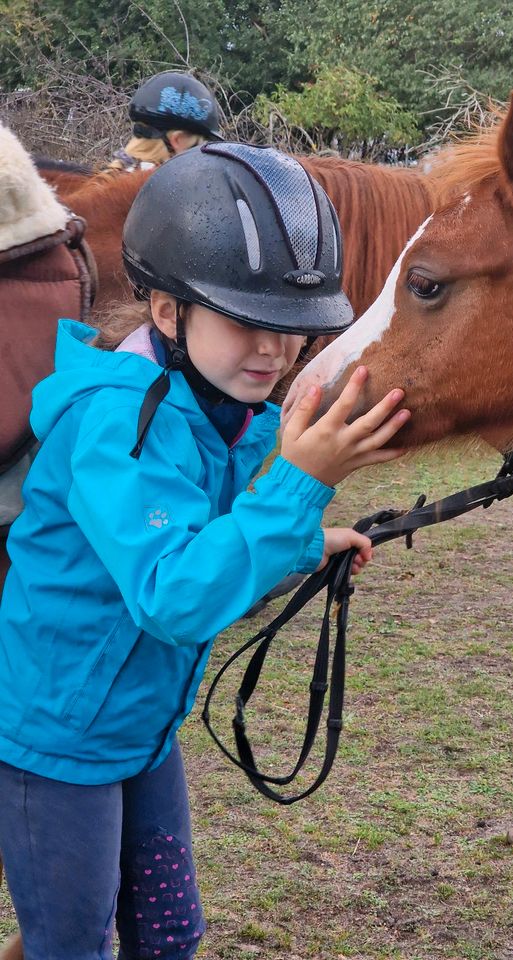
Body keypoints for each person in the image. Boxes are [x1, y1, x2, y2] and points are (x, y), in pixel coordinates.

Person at [0, 142, 410, 959]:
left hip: (138, 730)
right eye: (246, 325)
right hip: (56, 745)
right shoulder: (119, 421)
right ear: (165, 313)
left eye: (290, 331)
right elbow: (175, 594)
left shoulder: (214, 408)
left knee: (168, 933)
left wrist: (303, 541)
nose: (272, 352)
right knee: (71, 945)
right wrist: (296, 486)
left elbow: (204, 548)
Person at [108, 70, 224, 172]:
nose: (203, 158)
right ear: (178, 140)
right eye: (199, 147)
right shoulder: (158, 189)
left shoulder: (114, 179)